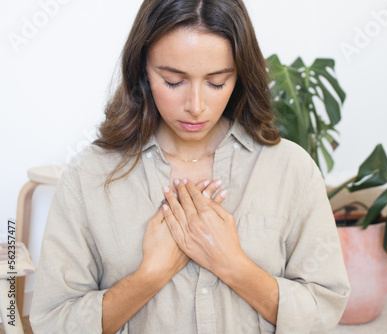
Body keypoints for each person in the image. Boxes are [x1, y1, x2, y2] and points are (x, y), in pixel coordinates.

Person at [30, 0, 350, 333]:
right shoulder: (90, 176)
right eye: (172, 81)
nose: (196, 107)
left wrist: (233, 265)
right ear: (141, 70)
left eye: (216, 82)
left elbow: (323, 308)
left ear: (240, 75)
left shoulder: (290, 169)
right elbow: (53, 321)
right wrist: (149, 276)